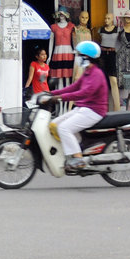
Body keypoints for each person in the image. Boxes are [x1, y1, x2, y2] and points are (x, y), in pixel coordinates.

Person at [46, 40, 107, 171]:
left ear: (86, 57)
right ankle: (72, 150)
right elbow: (74, 87)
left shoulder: (96, 74)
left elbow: (83, 93)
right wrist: (51, 93)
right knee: (54, 124)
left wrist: (60, 98)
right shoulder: (87, 72)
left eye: (79, 55)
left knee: (63, 128)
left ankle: (78, 159)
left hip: (94, 111)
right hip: (83, 108)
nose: (76, 58)